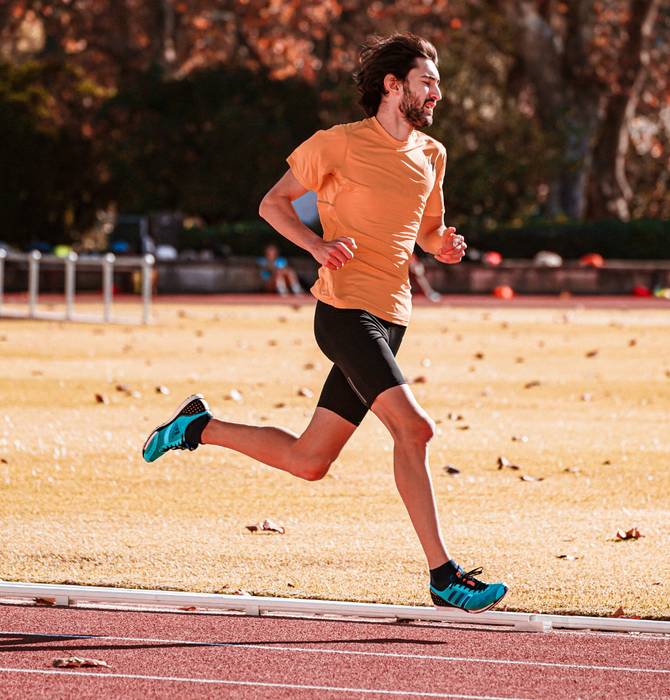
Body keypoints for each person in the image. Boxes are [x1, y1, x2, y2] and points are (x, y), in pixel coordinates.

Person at [143, 33, 508, 613]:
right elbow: (272, 203)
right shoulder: (336, 144)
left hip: (392, 318)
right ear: (394, 85)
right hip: (344, 314)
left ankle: (197, 427)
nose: (437, 91)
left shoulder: (432, 154)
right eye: (427, 81)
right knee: (415, 430)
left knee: (309, 461)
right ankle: (444, 576)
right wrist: (316, 246)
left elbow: (428, 231)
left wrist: (446, 247)